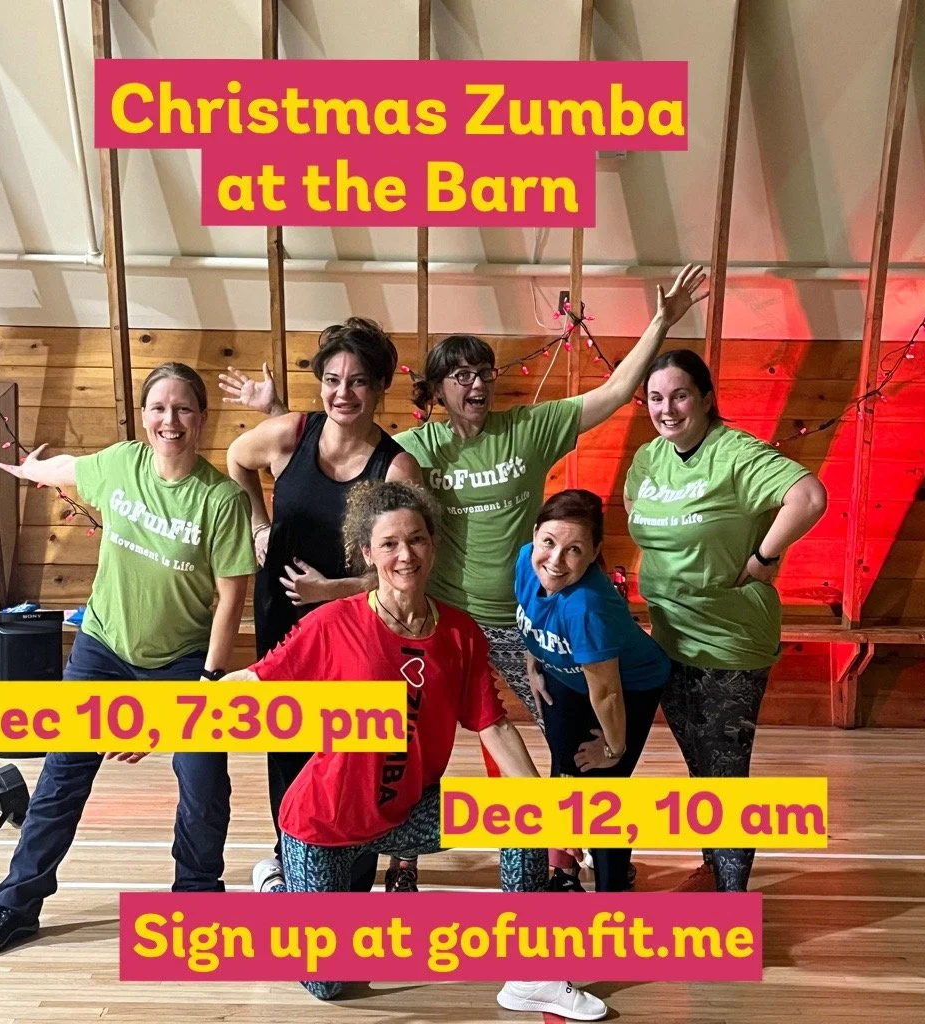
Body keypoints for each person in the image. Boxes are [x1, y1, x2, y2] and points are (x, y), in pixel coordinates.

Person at [226, 266, 709, 890]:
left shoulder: (526, 431)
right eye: (460, 375)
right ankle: (392, 863)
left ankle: (566, 860)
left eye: (483, 372)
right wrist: (275, 425)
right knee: (392, 736)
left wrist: (661, 321)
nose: (475, 383)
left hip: (519, 623)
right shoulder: (417, 448)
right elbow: (341, 433)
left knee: (560, 738)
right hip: (435, 620)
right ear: (436, 390)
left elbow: (616, 392)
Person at [228, 480, 607, 1021]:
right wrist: (160, 721)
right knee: (330, 984)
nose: (405, 555)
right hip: (327, 822)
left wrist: (544, 804)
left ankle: (531, 974)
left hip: (409, 811)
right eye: (389, 544)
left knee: (519, 817)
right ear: (366, 553)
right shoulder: (333, 624)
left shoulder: (460, 634)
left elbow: (493, 727)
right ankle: (276, 888)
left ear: (433, 544)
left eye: (416, 540)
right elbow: (255, 681)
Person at [0, 362, 255, 956]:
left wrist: (204, 685)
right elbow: (68, 469)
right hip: (103, 650)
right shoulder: (121, 464)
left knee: (203, 779)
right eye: (158, 408)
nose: (169, 420)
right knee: (62, 778)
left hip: (183, 662)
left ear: (202, 418)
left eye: (182, 409)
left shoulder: (219, 499)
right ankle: (15, 905)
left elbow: (231, 598)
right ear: (143, 415)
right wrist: (31, 469)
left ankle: (197, 898)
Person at [222, 318, 422, 893]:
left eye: (358, 382)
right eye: (333, 379)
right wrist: (258, 525)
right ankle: (295, 865)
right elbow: (237, 460)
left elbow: (404, 568)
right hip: (283, 617)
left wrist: (331, 590)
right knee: (287, 745)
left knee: (350, 754)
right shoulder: (291, 433)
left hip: (356, 628)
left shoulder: (397, 468)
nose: (343, 393)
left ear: (379, 386)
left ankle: (350, 876)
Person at [625, 349, 827, 892]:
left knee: (725, 776)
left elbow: (808, 496)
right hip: (670, 637)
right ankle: (716, 866)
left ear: (708, 398)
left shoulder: (735, 453)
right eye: (656, 398)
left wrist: (763, 559)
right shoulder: (648, 460)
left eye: (681, 395)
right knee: (702, 766)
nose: (667, 409)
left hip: (728, 641)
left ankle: (729, 901)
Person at [515, 490, 670, 892]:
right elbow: (528, 613)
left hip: (628, 686)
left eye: (574, 550)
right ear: (535, 535)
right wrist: (535, 659)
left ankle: (612, 892)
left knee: (603, 794)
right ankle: (565, 877)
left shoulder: (586, 607)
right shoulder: (524, 561)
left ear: (593, 553)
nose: (554, 559)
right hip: (565, 675)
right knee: (564, 772)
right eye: (548, 542)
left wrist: (613, 749)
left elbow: (607, 694)